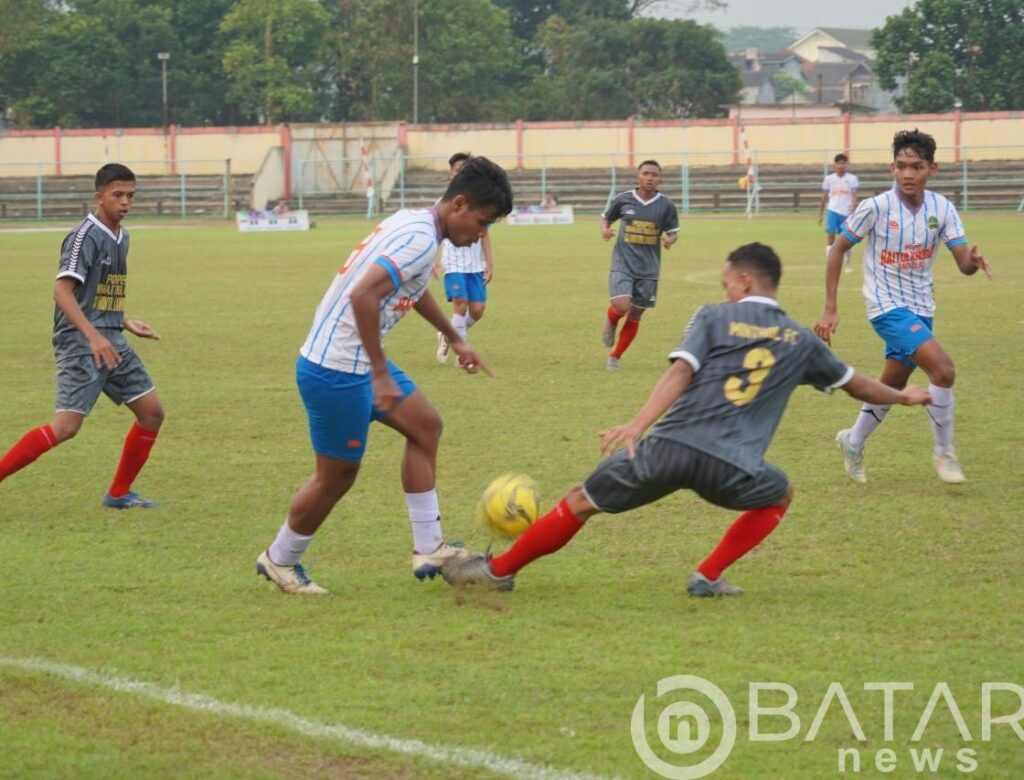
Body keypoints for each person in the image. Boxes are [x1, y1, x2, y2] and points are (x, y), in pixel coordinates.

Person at [441, 243, 931, 596]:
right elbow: (855, 383)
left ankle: (499, 570)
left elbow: (680, 372)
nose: (725, 289)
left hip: (669, 450)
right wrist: (903, 396)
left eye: (727, 282)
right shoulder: (801, 340)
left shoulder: (715, 316)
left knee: (581, 501)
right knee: (780, 491)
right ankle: (708, 575)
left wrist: (637, 424)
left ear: (743, 281)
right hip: (734, 469)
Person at [255, 156, 514, 595]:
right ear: (460, 204)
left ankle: (429, 547)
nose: (481, 233)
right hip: (336, 369)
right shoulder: (418, 238)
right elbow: (363, 295)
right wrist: (379, 373)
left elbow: (411, 290)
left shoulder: (418, 224)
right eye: (483, 221)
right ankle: (280, 559)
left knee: (426, 426)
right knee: (335, 477)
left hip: (355, 362)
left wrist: (455, 336)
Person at [814, 129, 992, 485]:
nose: (908, 174)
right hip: (885, 307)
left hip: (921, 307)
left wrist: (972, 261)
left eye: (916, 166)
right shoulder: (876, 207)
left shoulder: (942, 208)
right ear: (892, 168)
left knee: (892, 385)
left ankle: (853, 439)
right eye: (901, 166)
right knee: (942, 371)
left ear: (932, 168)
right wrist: (830, 307)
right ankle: (944, 453)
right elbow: (838, 250)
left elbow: (962, 263)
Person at [0, 164, 164, 507]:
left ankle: (118, 494)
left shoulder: (122, 236)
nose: (125, 203)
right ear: (99, 196)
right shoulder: (84, 236)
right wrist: (93, 336)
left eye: (130, 196)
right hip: (80, 341)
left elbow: (98, 293)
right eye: (117, 195)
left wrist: (123, 321)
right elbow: (62, 291)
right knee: (66, 427)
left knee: (152, 413)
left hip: (109, 338)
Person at [601, 160, 680, 370]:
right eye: (646, 173)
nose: (650, 178)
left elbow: (673, 232)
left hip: (649, 269)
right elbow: (607, 218)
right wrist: (606, 229)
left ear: (659, 179)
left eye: (654, 175)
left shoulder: (666, 205)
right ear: (638, 176)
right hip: (623, 262)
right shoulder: (624, 199)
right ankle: (611, 321)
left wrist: (669, 240)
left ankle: (615, 356)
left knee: (635, 313)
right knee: (622, 306)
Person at [435, 152, 495, 366]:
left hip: (475, 264)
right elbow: (436, 230)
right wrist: (434, 259)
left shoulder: (479, 203)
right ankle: (463, 355)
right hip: (453, 262)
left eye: (464, 170)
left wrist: (489, 262)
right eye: (456, 171)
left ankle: (449, 333)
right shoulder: (443, 202)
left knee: (477, 311)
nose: (460, 174)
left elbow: (485, 233)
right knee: (460, 305)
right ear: (450, 174)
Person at [817, 153, 859, 273]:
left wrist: (853, 207)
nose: (841, 165)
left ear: (846, 164)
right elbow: (824, 196)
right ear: (835, 165)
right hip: (832, 211)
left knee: (845, 239)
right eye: (839, 163)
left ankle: (848, 261)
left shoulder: (852, 179)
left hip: (846, 212)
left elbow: (855, 195)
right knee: (830, 236)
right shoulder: (829, 179)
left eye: (843, 163)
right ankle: (829, 261)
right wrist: (820, 214)